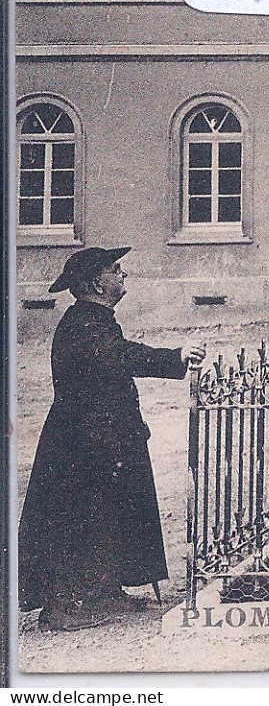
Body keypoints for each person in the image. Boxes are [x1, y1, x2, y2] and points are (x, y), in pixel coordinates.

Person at [18, 247, 206, 631]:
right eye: (115, 270)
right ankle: (63, 609)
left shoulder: (95, 319)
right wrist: (176, 356)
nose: (123, 276)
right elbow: (119, 357)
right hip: (82, 441)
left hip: (100, 435)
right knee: (79, 518)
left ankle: (103, 590)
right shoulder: (84, 323)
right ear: (94, 283)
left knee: (108, 513)